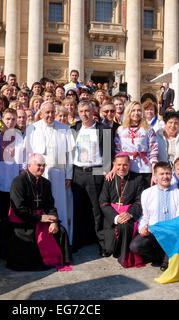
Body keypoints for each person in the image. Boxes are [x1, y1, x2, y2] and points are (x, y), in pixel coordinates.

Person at [7, 153, 72, 271]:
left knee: (60, 230)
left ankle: (58, 258)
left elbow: (50, 206)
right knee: (29, 241)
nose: (41, 168)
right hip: (24, 220)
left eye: (43, 165)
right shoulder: (18, 181)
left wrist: (54, 221)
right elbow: (19, 208)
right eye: (39, 165)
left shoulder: (45, 183)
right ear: (29, 165)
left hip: (40, 218)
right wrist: (40, 218)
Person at [24, 101, 75, 246]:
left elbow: (69, 155)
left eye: (53, 112)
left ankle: (62, 242)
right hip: (39, 174)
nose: (50, 115)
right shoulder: (32, 128)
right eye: (47, 112)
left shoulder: (65, 128)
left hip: (59, 174)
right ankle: (42, 242)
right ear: (41, 113)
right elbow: (28, 153)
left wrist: (69, 175)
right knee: (41, 206)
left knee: (59, 206)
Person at [71, 100, 115, 254]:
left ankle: (102, 243)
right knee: (78, 209)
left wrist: (104, 171)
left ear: (93, 111)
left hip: (96, 172)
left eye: (87, 111)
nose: (85, 114)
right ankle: (78, 241)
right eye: (81, 111)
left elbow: (109, 155)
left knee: (97, 210)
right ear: (78, 113)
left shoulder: (104, 130)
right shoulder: (74, 129)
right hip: (77, 173)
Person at [130, 162, 179, 271]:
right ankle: (160, 257)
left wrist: (163, 229)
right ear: (155, 176)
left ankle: (167, 259)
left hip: (172, 235)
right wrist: (142, 228)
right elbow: (144, 216)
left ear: (171, 175)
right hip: (153, 233)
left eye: (167, 173)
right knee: (135, 246)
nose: (165, 177)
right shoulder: (147, 193)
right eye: (161, 174)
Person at [99, 153, 146, 267]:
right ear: (114, 165)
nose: (122, 168)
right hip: (112, 217)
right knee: (110, 249)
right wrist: (116, 217)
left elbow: (140, 201)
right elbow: (103, 202)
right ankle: (114, 248)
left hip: (129, 215)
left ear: (129, 165)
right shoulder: (109, 179)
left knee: (125, 225)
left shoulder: (138, 179)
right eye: (119, 165)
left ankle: (124, 257)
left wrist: (130, 214)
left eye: (125, 165)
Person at [0, 108, 24, 259]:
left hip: (14, 188)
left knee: (13, 220)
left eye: (13, 119)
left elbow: (22, 167)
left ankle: (12, 250)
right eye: (7, 119)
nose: (10, 122)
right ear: (2, 120)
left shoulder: (20, 140)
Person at [113, 101, 159, 186]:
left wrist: (154, 173)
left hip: (145, 169)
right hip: (127, 170)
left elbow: (153, 152)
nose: (136, 113)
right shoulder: (120, 130)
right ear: (128, 112)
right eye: (133, 110)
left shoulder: (148, 129)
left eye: (139, 110)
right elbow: (118, 151)